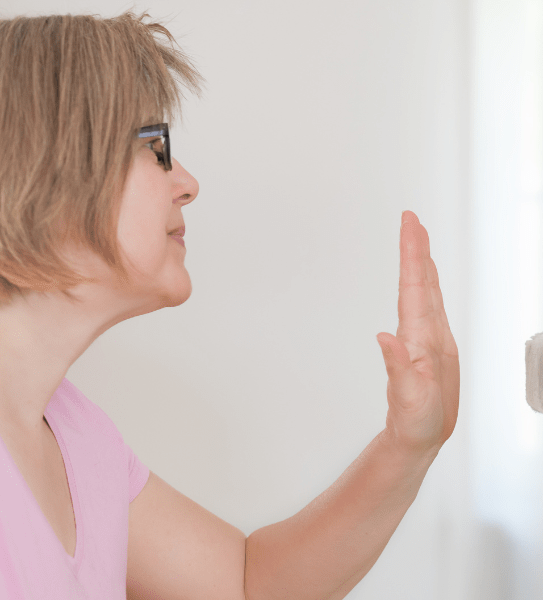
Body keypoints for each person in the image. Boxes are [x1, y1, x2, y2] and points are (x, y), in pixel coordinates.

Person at [0, 12, 459, 599]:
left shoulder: (79, 436)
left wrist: (409, 445)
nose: (186, 182)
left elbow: (245, 585)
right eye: (154, 146)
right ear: (47, 166)